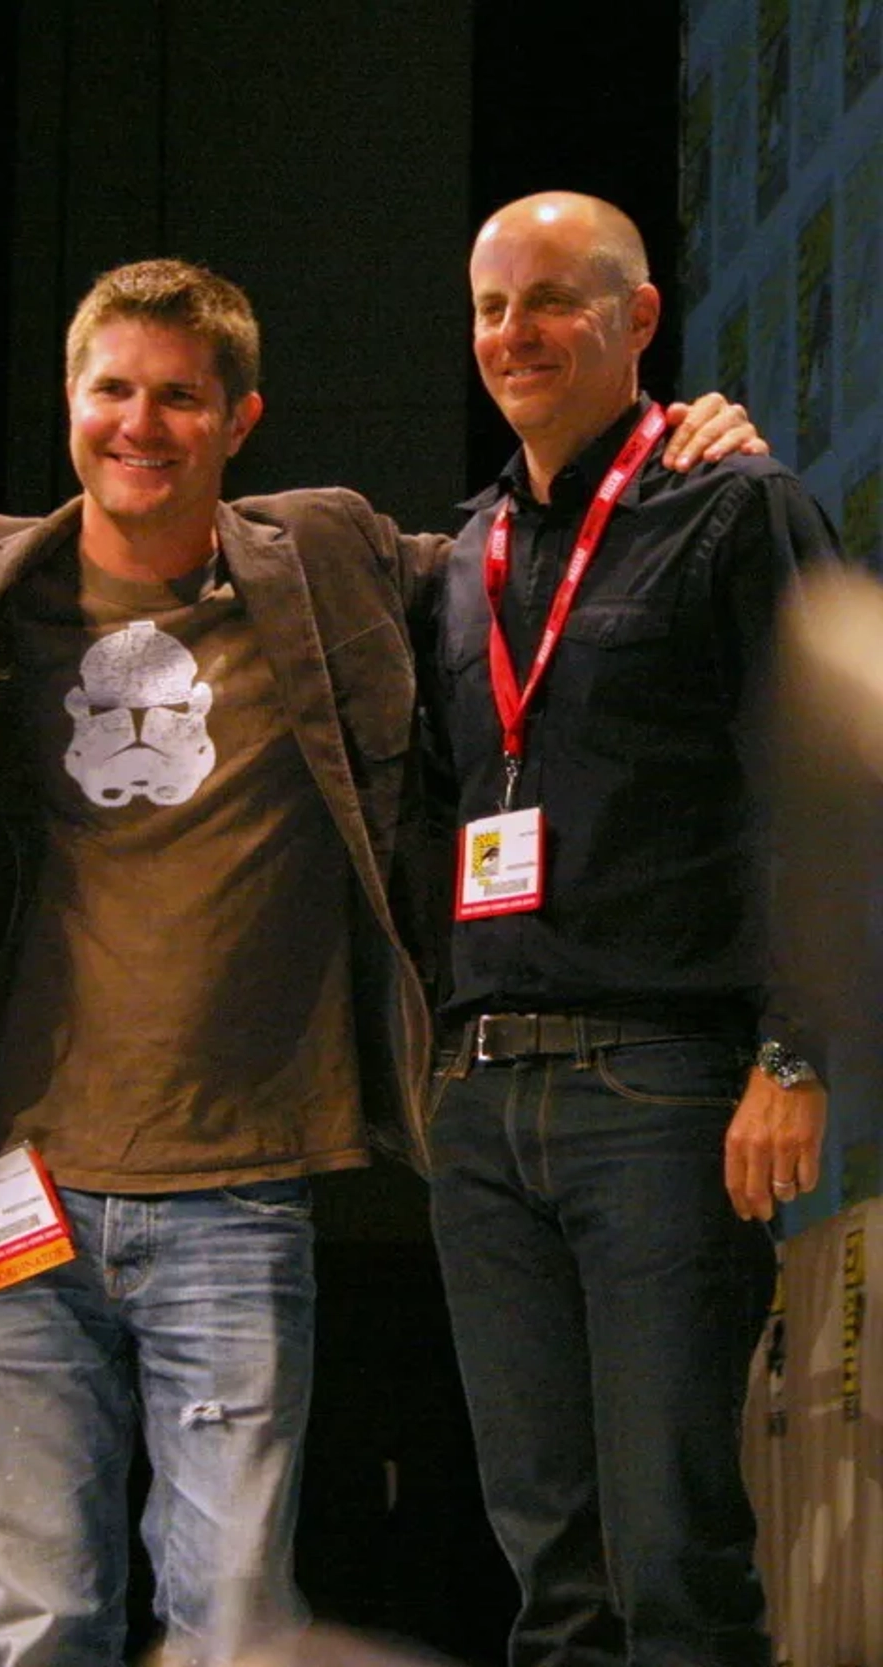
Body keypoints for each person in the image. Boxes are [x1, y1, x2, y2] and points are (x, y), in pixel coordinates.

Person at [0, 257, 763, 1667]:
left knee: (235, 1629)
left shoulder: (324, 562)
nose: (141, 423)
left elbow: (545, 561)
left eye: (180, 396)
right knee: (42, 1626)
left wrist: (682, 456)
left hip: (231, 1198)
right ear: (69, 401)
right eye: (112, 389)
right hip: (11, 1185)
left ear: (241, 416)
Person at [423, 192, 834, 1667]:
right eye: (489, 307)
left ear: (640, 319)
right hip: (480, 1109)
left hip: (660, 1089)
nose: (513, 334)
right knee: (556, 1576)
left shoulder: (734, 507)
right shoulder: (459, 557)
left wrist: (795, 1052)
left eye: (552, 301)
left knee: (673, 1555)